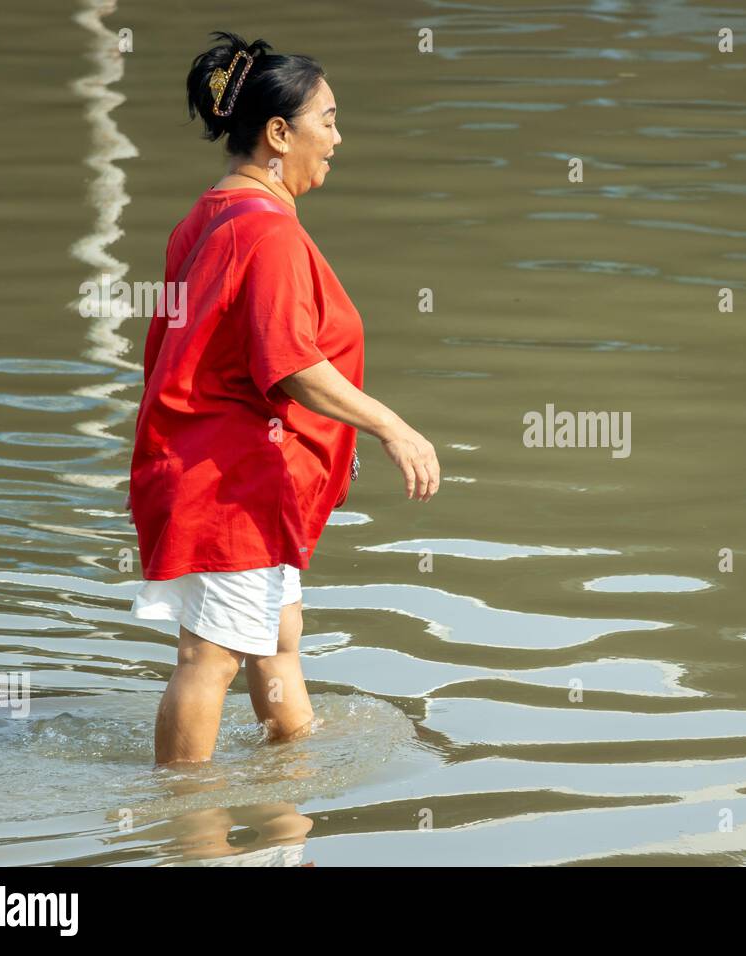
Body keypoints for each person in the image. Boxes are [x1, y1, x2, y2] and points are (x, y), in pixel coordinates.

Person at [126, 31, 439, 766]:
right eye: (325, 119)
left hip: (231, 473)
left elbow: (215, 362)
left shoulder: (206, 218)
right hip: (225, 484)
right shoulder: (267, 233)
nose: (336, 136)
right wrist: (391, 425)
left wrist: (319, 443)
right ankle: (186, 823)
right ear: (277, 133)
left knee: (276, 641)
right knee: (211, 657)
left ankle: (290, 800)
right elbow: (289, 363)